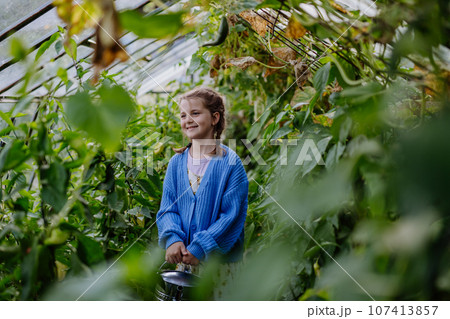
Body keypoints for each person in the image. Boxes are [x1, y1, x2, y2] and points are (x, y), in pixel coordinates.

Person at [156, 87, 249, 269]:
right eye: (183, 116)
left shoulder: (230, 163)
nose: (188, 120)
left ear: (215, 118)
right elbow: (168, 208)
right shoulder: (176, 163)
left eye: (195, 113)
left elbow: (231, 216)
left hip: (218, 266)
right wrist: (173, 239)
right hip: (185, 263)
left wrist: (200, 247)